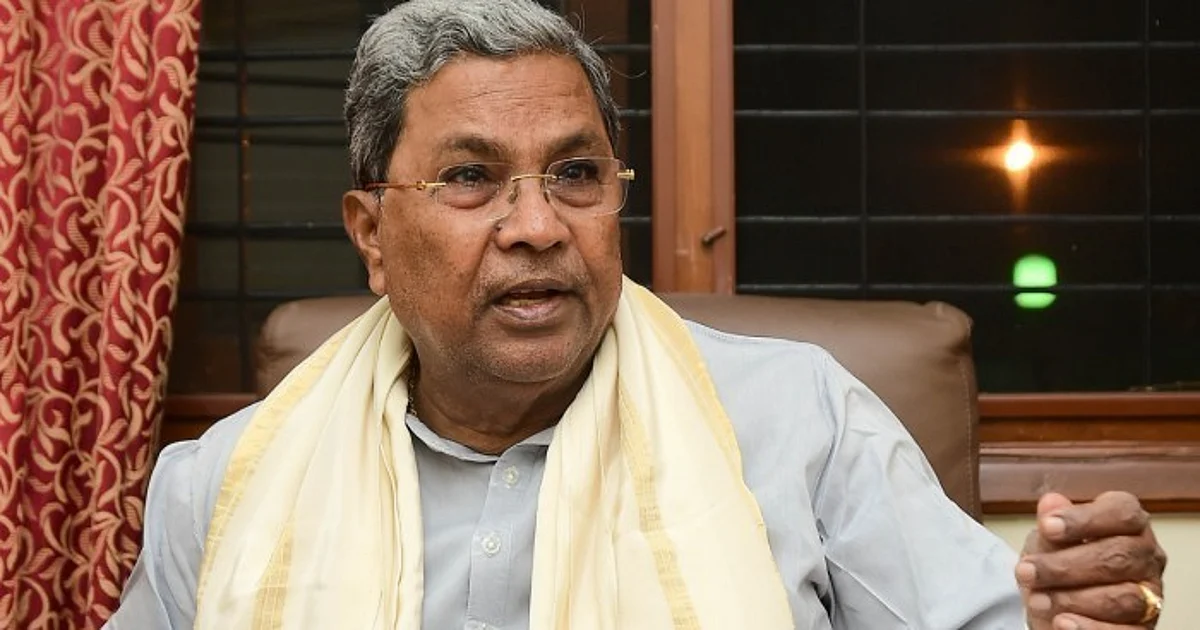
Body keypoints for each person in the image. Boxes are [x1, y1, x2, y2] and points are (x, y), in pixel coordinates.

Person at [106, 0, 1167, 628]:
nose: (538, 226)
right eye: (471, 178)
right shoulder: (222, 486)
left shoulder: (800, 422)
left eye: (576, 173)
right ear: (372, 233)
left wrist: (1075, 605)